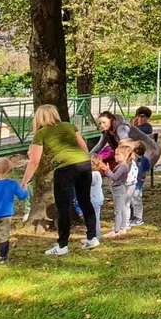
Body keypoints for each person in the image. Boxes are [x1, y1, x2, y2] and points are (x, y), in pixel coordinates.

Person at [22, 104, 99, 256]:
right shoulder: (69, 126)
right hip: (84, 164)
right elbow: (83, 146)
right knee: (85, 201)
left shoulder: (41, 133)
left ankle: (62, 245)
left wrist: (25, 181)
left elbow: (34, 161)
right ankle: (92, 237)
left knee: (63, 208)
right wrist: (86, 163)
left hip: (65, 169)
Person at [90, 112, 161, 167]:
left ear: (111, 120)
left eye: (104, 122)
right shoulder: (107, 131)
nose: (102, 125)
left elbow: (125, 145)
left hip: (147, 153)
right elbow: (99, 145)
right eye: (100, 123)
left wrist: (123, 163)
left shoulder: (122, 128)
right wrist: (88, 157)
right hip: (131, 155)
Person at [101, 142, 134, 239]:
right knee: (122, 208)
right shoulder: (122, 165)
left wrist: (106, 170)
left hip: (119, 189)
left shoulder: (123, 166)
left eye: (117, 154)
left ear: (124, 156)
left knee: (118, 210)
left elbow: (114, 177)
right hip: (118, 189)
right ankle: (122, 227)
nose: (115, 156)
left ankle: (116, 230)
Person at [129, 140, 150, 227]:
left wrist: (143, 175)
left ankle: (138, 217)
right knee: (132, 200)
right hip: (134, 182)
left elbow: (145, 169)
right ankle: (133, 216)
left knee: (136, 199)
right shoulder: (138, 160)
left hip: (138, 183)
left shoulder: (140, 160)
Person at [88, 154, 105, 240]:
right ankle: (95, 234)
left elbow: (89, 182)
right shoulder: (96, 174)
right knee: (94, 217)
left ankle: (96, 235)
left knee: (95, 218)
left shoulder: (94, 174)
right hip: (95, 199)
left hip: (95, 200)